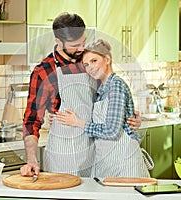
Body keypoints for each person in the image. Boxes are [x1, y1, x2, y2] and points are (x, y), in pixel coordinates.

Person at [21, 12, 142, 177]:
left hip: (95, 152)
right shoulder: (44, 71)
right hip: (63, 156)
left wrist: (131, 117)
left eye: (83, 42)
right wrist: (32, 160)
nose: (81, 48)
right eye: (74, 45)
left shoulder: (89, 60)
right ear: (58, 41)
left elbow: (110, 95)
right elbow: (31, 121)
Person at [55, 39, 151, 178]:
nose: (90, 68)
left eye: (94, 61)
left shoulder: (116, 86)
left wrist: (77, 122)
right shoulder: (102, 88)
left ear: (107, 59)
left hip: (124, 162)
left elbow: (112, 131)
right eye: (86, 64)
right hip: (109, 161)